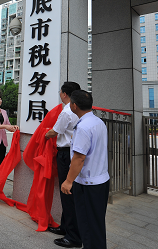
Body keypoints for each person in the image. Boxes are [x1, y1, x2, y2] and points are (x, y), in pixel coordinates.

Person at [61, 90, 110, 249]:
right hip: (101, 180)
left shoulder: (83, 127)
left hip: (88, 184)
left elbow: (79, 158)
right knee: (96, 224)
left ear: (74, 106)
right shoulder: (98, 122)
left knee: (88, 226)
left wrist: (68, 181)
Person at [44, 82, 82, 248]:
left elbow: (55, 131)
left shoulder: (66, 111)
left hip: (66, 154)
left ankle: (73, 236)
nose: (59, 93)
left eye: (60, 91)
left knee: (67, 193)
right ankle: (65, 227)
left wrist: (44, 135)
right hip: (71, 153)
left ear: (65, 94)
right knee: (68, 194)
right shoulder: (77, 110)